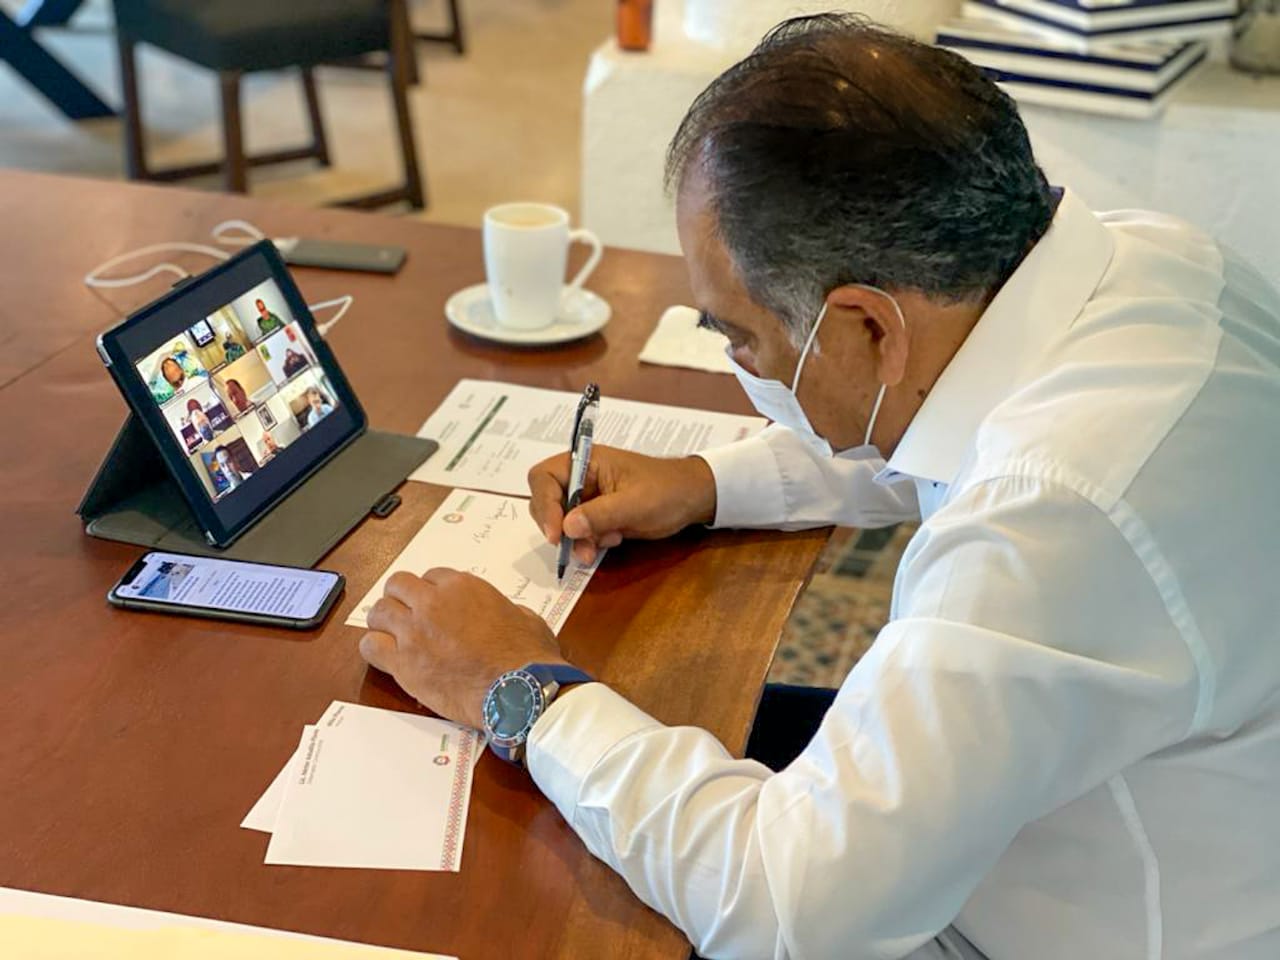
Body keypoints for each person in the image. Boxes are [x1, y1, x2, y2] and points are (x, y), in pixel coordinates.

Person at [355, 16, 1280, 960]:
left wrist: (520, 689)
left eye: (742, 337)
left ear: (870, 328)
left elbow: (786, 910)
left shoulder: (1044, 528)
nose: (743, 366)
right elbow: (949, 419)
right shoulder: (1146, 260)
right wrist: (704, 481)